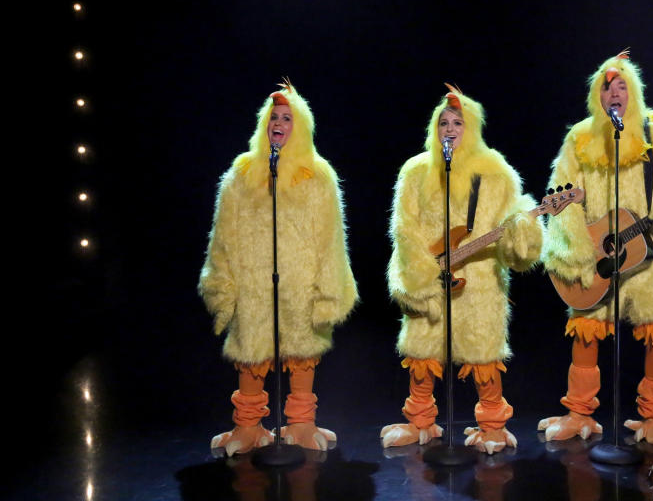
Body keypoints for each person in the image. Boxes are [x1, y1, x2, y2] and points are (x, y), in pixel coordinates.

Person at [539, 52, 653, 445]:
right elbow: (562, 195)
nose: (614, 93)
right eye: (607, 88)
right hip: (597, 254)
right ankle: (579, 413)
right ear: (596, 97)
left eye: (622, 86)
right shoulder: (581, 138)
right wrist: (577, 250)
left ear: (633, 93)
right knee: (586, 331)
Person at [380, 85, 543, 454]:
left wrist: (525, 230)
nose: (450, 128)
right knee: (422, 353)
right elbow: (403, 229)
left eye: (458, 122)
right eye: (443, 122)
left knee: (484, 356)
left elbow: (518, 247)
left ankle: (493, 425)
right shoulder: (415, 171)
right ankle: (420, 420)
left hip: (481, 283)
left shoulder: (496, 173)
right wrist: (419, 274)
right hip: (428, 278)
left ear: (472, 130)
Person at [199, 80, 357, 456]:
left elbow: (333, 238)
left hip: (301, 284)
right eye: (273, 117)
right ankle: (248, 426)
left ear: (299, 127)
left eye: (287, 117)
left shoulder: (319, 176)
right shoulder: (241, 174)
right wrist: (222, 285)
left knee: (302, 352)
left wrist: (330, 289)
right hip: (253, 283)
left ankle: (301, 422)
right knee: (252, 353)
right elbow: (221, 236)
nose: (278, 123)